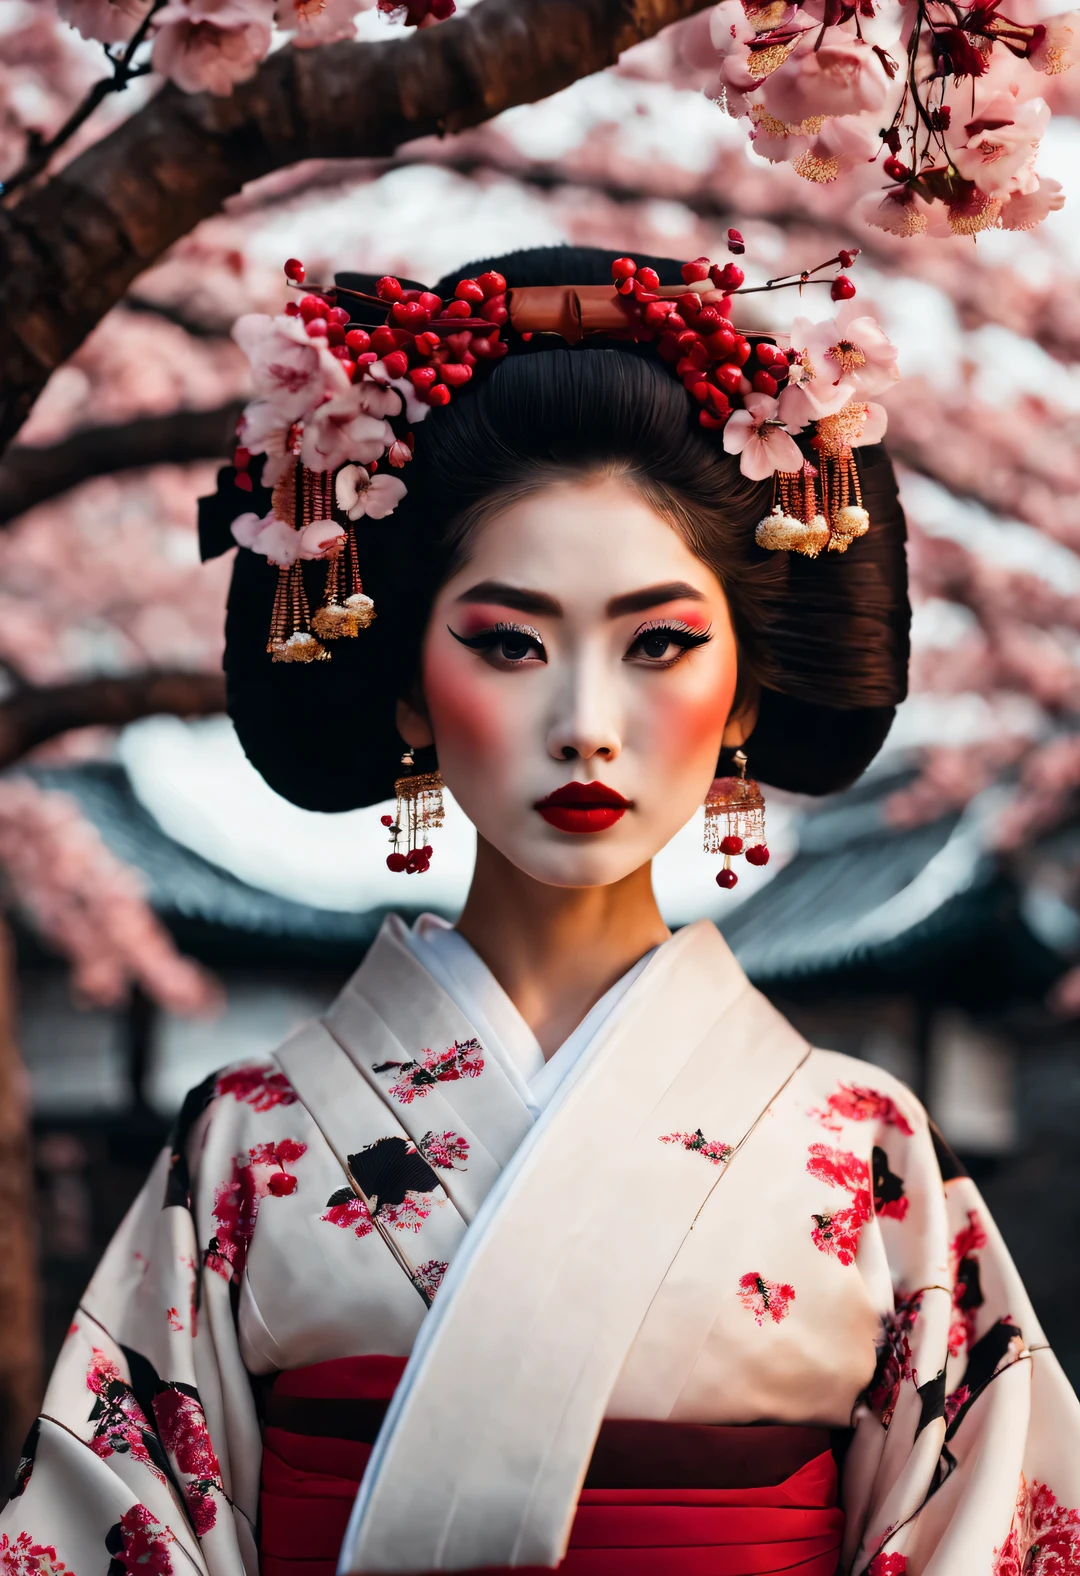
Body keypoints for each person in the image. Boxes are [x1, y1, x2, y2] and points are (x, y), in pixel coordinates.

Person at [4, 246, 1078, 1576]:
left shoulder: (862, 1155)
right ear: (406, 687)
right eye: (508, 643)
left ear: (744, 698)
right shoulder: (248, 1148)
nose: (585, 726)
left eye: (660, 645)